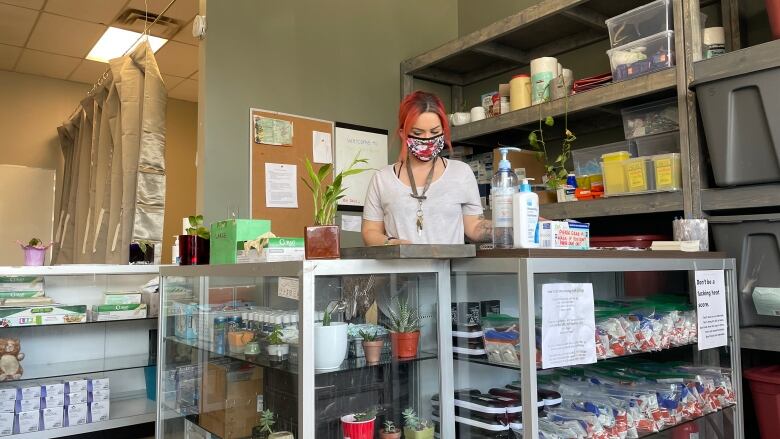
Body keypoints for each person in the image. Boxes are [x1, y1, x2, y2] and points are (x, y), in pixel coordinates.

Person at [362, 91, 492, 245]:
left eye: (435, 132)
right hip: (399, 268)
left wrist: (504, 228)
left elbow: (474, 226)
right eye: (418, 132)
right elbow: (370, 231)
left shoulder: (461, 173)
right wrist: (392, 244)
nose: (427, 138)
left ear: (443, 131)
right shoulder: (382, 179)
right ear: (403, 134)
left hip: (447, 269)